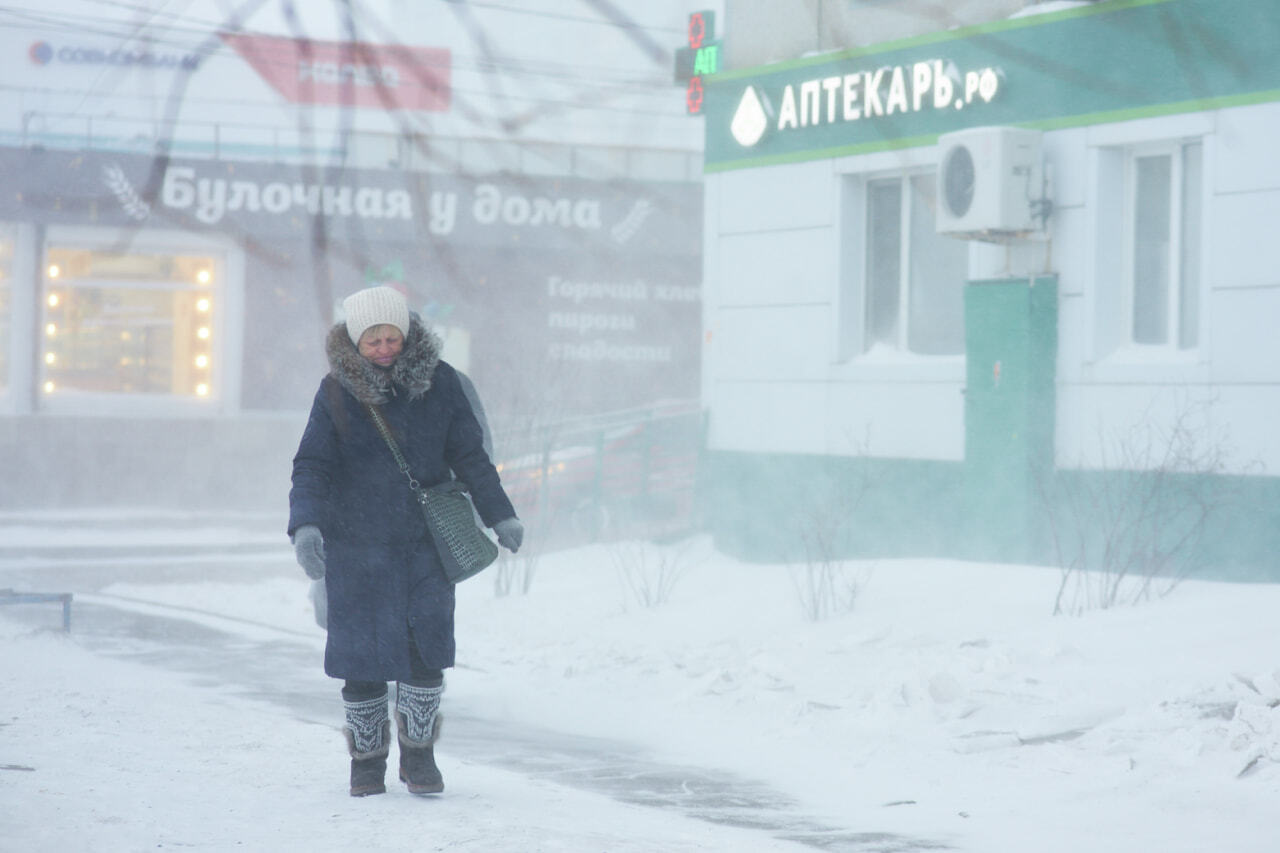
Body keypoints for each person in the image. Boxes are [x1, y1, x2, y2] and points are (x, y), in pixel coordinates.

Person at [288, 285, 523, 797]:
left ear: (407, 333)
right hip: (356, 544)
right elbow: (312, 465)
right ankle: (366, 765)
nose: (384, 348)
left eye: (392, 337)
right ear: (354, 341)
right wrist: (305, 526)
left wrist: (499, 514)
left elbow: (472, 456)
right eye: (372, 341)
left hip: (425, 544)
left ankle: (419, 760)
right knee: (360, 657)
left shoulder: (440, 385)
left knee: (425, 652)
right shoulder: (335, 392)